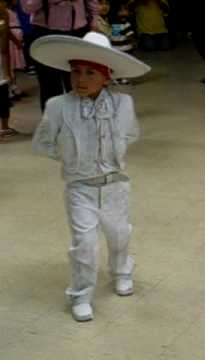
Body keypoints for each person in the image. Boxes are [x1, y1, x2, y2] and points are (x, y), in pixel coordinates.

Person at [31, 31, 150, 321]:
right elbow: (43, 142)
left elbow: (131, 132)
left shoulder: (122, 104)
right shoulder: (58, 106)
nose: (80, 79)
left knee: (120, 234)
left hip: (114, 185)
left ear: (106, 76)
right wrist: (71, 157)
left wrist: (114, 153)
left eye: (89, 72)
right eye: (75, 71)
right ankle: (81, 294)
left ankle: (122, 271)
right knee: (84, 243)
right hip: (80, 187)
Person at [20, 0, 99, 111]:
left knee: (78, 83)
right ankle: (52, 125)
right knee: (49, 86)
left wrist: (94, 25)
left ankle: (79, 124)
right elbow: (27, 7)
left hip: (78, 32)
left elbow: (93, 4)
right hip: (45, 33)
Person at [0, 0, 17, 140]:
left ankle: (4, 127)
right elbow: (4, 49)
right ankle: (4, 127)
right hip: (0, 67)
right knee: (2, 97)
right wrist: (7, 71)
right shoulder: (2, 20)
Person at [7, 0, 25, 100]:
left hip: (15, 37)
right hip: (10, 40)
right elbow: (6, 28)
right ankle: (9, 90)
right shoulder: (4, 10)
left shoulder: (11, 10)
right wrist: (16, 41)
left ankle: (15, 87)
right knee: (9, 66)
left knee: (12, 67)